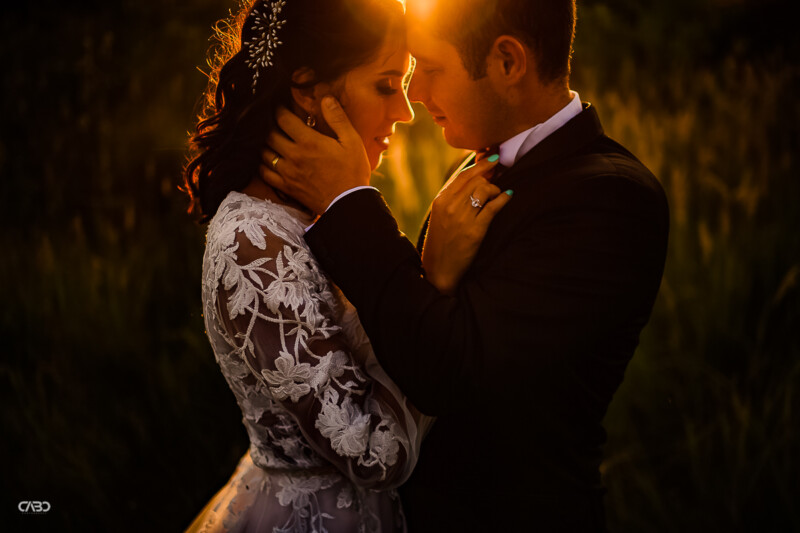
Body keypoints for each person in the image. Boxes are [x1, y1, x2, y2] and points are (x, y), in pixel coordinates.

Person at [259, 0, 671, 530]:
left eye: (430, 69)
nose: (416, 95)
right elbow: (420, 323)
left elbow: (447, 372)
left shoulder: (610, 198)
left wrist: (348, 202)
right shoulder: (479, 163)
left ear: (507, 62)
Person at [181, 0, 507, 531]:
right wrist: (436, 286)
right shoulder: (252, 243)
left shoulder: (323, 210)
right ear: (309, 89)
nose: (406, 111)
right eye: (386, 85)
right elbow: (375, 455)